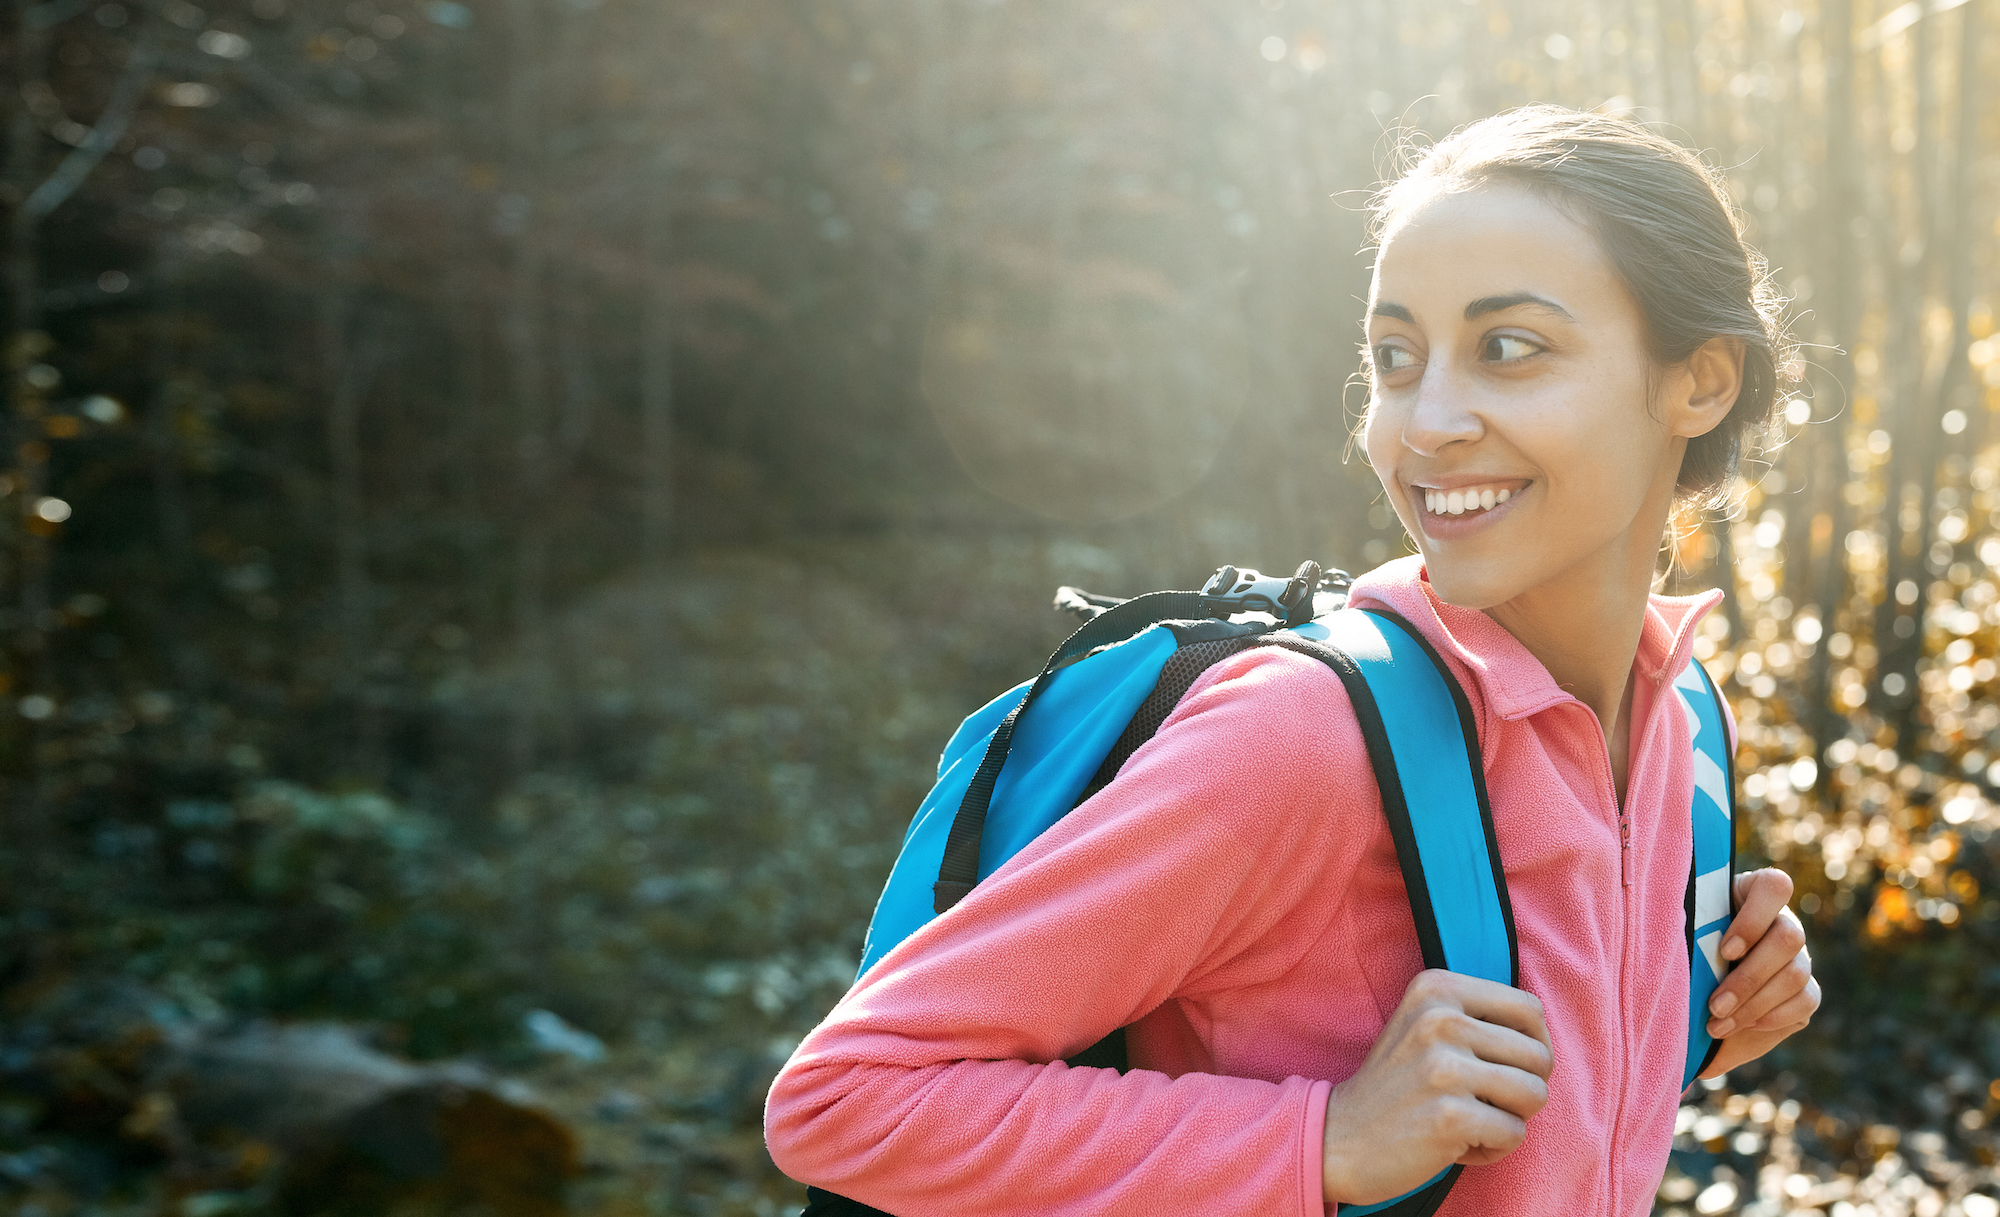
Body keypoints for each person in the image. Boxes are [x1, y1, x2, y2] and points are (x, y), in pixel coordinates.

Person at [764, 105, 1822, 1215]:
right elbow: (845, 1100)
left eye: (1507, 348)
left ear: (1698, 381)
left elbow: (1530, 1123)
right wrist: (1323, 1141)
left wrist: (1702, 1008)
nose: (1422, 421)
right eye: (1394, 357)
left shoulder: (1684, 714)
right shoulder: (1299, 738)